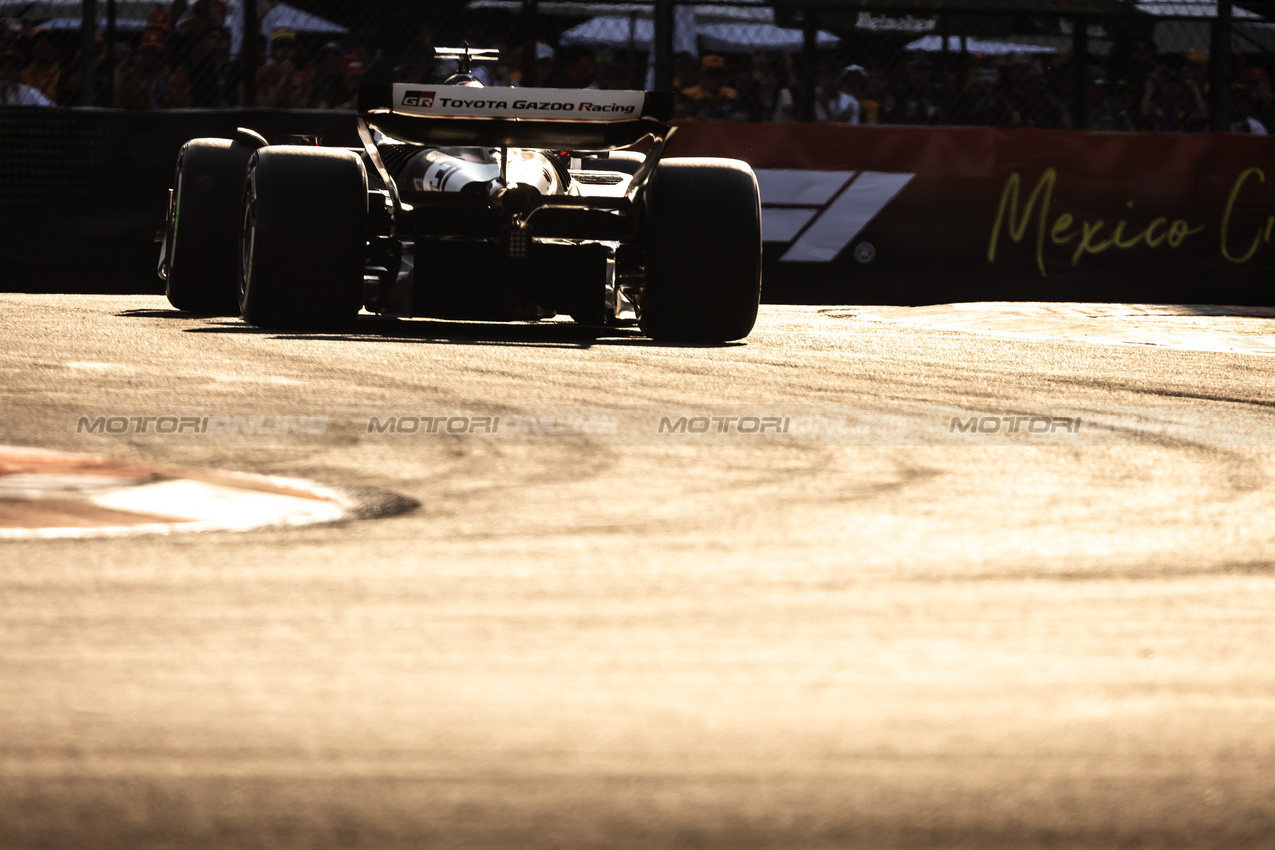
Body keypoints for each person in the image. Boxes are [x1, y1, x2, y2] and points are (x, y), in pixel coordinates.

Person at [115, 27, 192, 110]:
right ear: (140, 54)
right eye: (147, 53)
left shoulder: (177, 78)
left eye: (155, 53)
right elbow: (117, 104)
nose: (151, 58)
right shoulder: (130, 74)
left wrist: (168, 83)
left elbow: (186, 107)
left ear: (164, 55)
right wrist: (124, 72)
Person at [256, 27, 312, 108]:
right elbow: (265, 107)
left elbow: (299, 110)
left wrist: (292, 80)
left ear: (295, 50)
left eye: (290, 45)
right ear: (272, 50)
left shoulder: (304, 76)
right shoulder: (262, 73)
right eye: (281, 45)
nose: (286, 49)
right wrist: (283, 79)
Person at [186, 25, 241, 107]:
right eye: (213, 36)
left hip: (231, 115)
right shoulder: (201, 67)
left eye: (223, 35)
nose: (219, 38)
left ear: (229, 43)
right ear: (206, 42)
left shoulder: (235, 68)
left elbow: (241, 99)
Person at [680, 54, 740, 120]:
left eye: (717, 73)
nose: (713, 77)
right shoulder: (689, 93)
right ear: (701, 74)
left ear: (723, 76)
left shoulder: (730, 94)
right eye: (710, 73)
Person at [20, 28, 60, 104]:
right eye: (38, 41)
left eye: (49, 41)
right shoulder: (24, 74)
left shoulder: (61, 74)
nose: (43, 44)